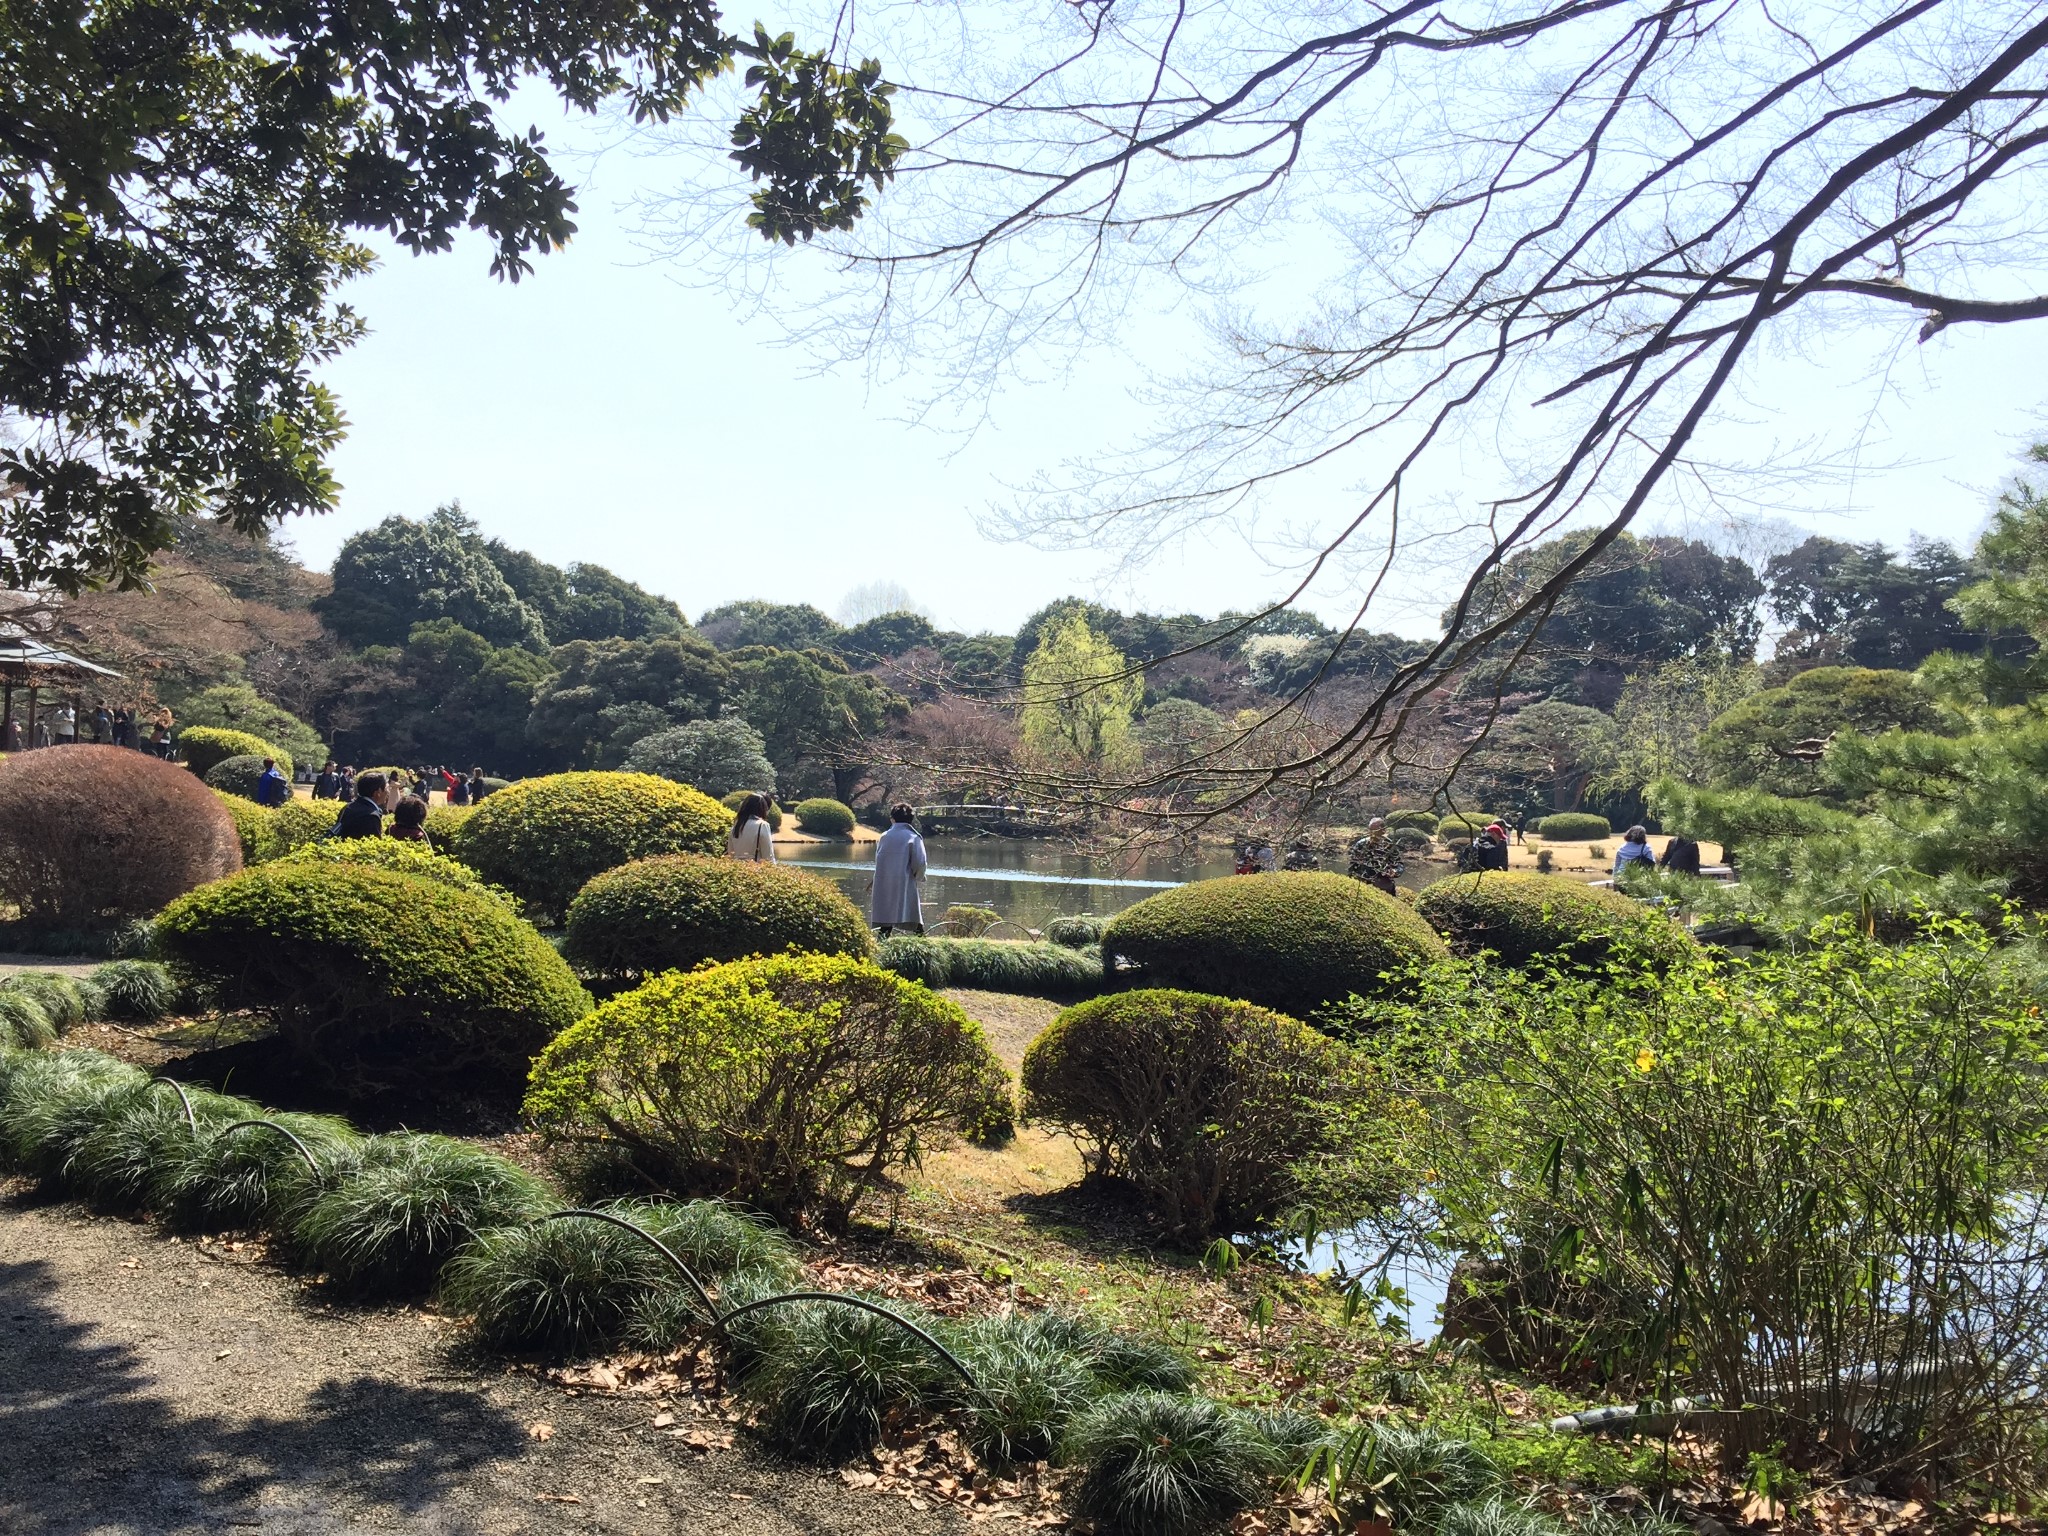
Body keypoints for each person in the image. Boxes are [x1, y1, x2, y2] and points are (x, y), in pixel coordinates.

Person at [870, 803, 928, 935]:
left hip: (883, 881)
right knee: (911, 912)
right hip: (905, 880)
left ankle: (882, 942)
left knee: (886, 914)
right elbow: (920, 862)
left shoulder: (884, 836)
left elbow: (879, 861)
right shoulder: (913, 837)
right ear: (911, 819)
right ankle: (921, 941)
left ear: (892, 818)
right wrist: (919, 876)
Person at [1347, 817, 1403, 895]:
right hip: (1362, 882)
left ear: (1383, 830)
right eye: (1371, 830)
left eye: (1376, 830)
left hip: (1383, 884)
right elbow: (1352, 865)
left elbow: (1399, 865)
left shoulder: (1390, 846)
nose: (1373, 833)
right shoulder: (1361, 844)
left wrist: (1394, 871)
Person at [331, 772, 388, 839]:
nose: (388, 792)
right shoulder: (371, 816)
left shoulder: (347, 807)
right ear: (378, 792)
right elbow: (373, 844)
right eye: (387, 788)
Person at [727, 793, 777, 862]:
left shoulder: (736, 826)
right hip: (755, 869)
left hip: (736, 869)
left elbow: (730, 853)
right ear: (762, 808)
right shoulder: (762, 825)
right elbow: (768, 856)